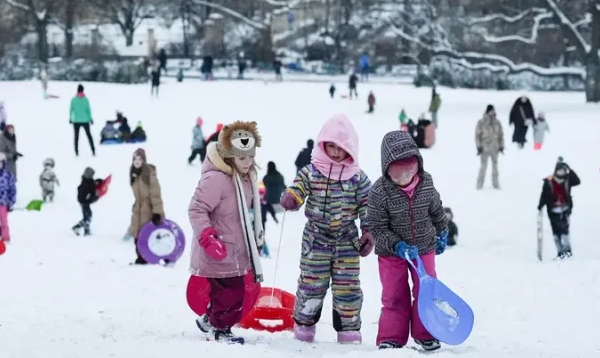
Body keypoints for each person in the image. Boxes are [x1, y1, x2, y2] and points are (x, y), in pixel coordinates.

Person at [280, 115, 373, 344]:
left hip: (347, 241)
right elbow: (298, 187)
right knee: (311, 283)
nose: (335, 152)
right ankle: (304, 326)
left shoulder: (358, 177)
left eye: (341, 148)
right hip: (316, 239)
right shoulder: (312, 171)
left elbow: (367, 204)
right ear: (323, 145)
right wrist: (292, 197)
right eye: (331, 146)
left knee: (347, 287)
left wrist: (368, 231)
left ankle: (348, 331)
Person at [365, 131, 449, 352]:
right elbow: (377, 227)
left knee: (426, 292)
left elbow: (437, 210)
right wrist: (397, 245)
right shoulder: (379, 192)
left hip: (423, 248)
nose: (403, 181)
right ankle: (392, 336)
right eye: (397, 176)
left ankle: (426, 332)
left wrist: (442, 231)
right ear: (387, 170)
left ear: (416, 167)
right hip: (392, 253)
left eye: (407, 174)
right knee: (394, 295)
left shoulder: (426, 183)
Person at [189, 121, 265, 345]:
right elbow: (196, 208)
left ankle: (209, 320)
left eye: (251, 157)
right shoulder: (217, 179)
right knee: (231, 294)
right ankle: (219, 329)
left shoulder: (245, 177)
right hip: (217, 248)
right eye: (242, 158)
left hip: (234, 248)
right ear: (229, 156)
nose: (248, 162)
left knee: (226, 292)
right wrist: (207, 237)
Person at [537, 158, 580, 259]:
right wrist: (540, 205)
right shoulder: (549, 181)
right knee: (556, 231)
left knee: (564, 229)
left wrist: (570, 169)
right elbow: (544, 194)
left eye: (563, 171)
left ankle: (567, 251)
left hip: (565, 209)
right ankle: (560, 251)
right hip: (553, 210)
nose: (561, 173)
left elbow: (577, 181)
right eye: (560, 171)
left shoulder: (568, 179)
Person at [129, 148, 165, 264]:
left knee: (147, 235)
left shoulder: (148, 173)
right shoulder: (134, 173)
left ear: (144, 160)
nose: (137, 161)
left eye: (140, 159)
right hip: (138, 210)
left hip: (149, 211)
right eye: (135, 159)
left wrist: (157, 213)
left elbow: (155, 195)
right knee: (136, 235)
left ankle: (147, 258)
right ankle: (140, 258)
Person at [475, 105, 505, 190]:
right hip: (485, 148)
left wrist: (501, 146)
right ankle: (479, 185)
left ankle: (495, 185)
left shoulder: (497, 122)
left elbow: (501, 135)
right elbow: (477, 135)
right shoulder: (481, 122)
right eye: (491, 111)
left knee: (495, 168)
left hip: (495, 148)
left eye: (494, 111)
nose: (493, 112)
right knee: (483, 167)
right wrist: (479, 146)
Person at [72, 167, 100, 236]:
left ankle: (87, 231)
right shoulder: (87, 182)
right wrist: (95, 196)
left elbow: (93, 185)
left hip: (84, 201)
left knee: (87, 216)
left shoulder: (87, 180)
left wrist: (98, 181)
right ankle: (77, 227)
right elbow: (91, 190)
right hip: (84, 202)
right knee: (88, 216)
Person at [69, 84, 95, 157]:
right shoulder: (86, 100)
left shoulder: (73, 99)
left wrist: (70, 118)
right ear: (83, 90)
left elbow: (71, 110)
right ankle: (93, 150)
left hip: (76, 120)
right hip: (85, 120)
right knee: (89, 136)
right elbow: (88, 110)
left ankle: (76, 152)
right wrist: (90, 119)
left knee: (76, 137)